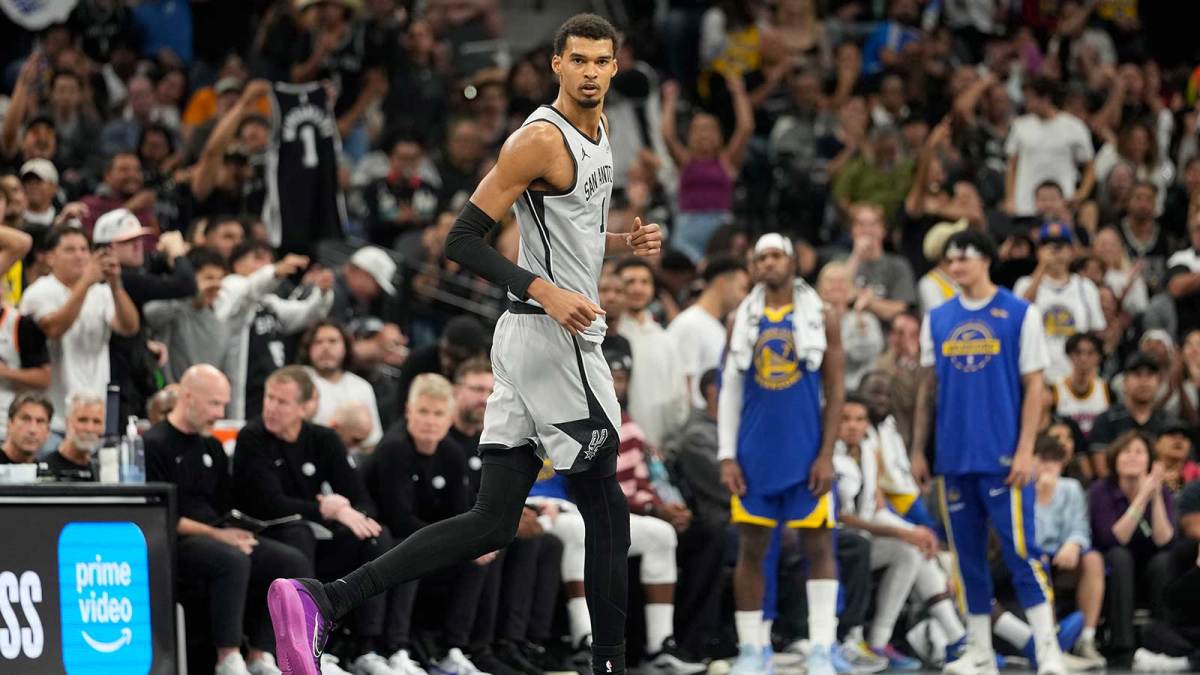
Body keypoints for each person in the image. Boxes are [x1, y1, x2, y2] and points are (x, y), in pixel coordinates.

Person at [267, 15, 663, 675]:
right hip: (552, 338)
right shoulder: (539, 139)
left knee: (492, 523)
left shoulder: (601, 132)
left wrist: (619, 243)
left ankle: (324, 598)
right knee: (605, 504)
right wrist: (545, 290)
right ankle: (610, 664)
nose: (592, 71)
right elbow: (461, 240)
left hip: (532, 339)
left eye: (602, 60)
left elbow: (566, 226)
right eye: (580, 60)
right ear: (556, 65)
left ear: (615, 67)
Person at [910, 229, 1067, 675]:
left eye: (963, 259)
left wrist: (1025, 450)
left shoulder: (1020, 314)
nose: (955, 267)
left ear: (985, 260)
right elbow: (928, 388)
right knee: (967, 560)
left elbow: (1035, 385)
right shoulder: (937, 318)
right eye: (950, 261)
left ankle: (1048, 648)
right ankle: (980, 651)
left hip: (1003, 456)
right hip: (954, 457)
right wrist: (919, 450)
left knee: (1022, 553)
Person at [718, 233, 844, 675]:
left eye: (776, 256)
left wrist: (828, 453)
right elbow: (729, 391)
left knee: (819, 545)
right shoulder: (740, 319)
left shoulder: (822, 317)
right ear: (752, 266)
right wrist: (726, 455)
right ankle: (753, 649)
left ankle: (822, 647)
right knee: (751, 548)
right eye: (760, 257)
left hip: (806, 452)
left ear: (793, 262)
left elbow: (836, 390)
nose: (768, 263)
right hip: (754, 454)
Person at [146, 364, 311, 675]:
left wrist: (241, 529)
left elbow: (225, 506)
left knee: (289, 561)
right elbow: (162, 516)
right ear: (188, 397)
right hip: (175, 542)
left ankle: (262, 654)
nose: (220, 413)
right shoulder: (155, 443)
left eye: (224, 404)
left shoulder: (212, 446)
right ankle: (228, 657)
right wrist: (218, 535)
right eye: (214, 403)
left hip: (216, 532)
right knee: (232, 558)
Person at [236, 366, 395, 674]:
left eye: (283, 402)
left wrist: (350, 513)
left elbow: (361, 499)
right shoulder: (252, 437)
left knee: (375, 535)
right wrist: (326, 510)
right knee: (299, 533)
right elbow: (269, 503)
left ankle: (366, 649)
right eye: (270, 398)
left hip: (316, 536)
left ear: (306, 406)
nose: (272, 407)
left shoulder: (323, 439)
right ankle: (305, 648)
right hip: (267, 531)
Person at [360, 373, 493, 675]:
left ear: (449, 417)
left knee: (482, 556)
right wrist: (450, 542)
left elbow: (460, 512)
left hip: (425, 539)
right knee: (413, 551)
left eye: (437, 414)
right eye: (423, 412)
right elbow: (399, 518)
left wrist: (472, 543)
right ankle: (394, 648)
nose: (430, 421)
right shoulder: (394, 449)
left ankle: (454, 648)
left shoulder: (450, 452)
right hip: (385, 541)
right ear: (408, 411)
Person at [833, 393, 964, 669]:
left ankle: (880, 641)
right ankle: (956, 636)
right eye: (845, 419)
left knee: (913, 550)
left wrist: (914, 531)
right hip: (832, 541)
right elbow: (840, 516)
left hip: (864, 538)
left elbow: (874, 508)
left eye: (859, 420)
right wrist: (903, 533)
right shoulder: (826, 454)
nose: (853, 426)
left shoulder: (869, 451)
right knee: (893, 543)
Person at [20, 224, 139, 435]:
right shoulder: (39, 291)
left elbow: (129, 327)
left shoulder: (101, 292)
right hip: (53, 417)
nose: (80, 256)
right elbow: (54, 328)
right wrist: (86, 282)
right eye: (70, 250)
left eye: (85, 249)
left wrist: (115, 285)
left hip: (95, 413)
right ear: (50, 258)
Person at [1087, 431, 1177, 668]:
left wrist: (1155, 496)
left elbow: (1164, 540)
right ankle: (1122, 645)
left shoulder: (1161, 491)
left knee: (1164, 560)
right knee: (1120, 556)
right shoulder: (1101, 490)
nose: (1132, 457)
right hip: (1113, 568)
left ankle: (1162, 643)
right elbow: (1114, 537)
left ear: (1150, 461)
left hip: (1150, 568)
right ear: (1115, 459)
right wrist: (1142, 496)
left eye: (1139, 452)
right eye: (1126, 452)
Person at [1031, 435, 1106, 668]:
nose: (1049, 466)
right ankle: (1050, 642)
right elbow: (1032, 539)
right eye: (1043, 460)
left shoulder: (1071, 488)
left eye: (1055, 461)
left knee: (1093, 559)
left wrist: (1073, 544)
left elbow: (1081, 528)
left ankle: (1086, 640)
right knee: (1039, 559)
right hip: (1033, 560)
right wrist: (1042, 498)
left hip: (1065, 558)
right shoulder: (1021, 489)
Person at [1014, 223, 1105, 381]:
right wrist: (1042, 266)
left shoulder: (1086, 287)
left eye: (1061, 246)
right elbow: (1018, 316)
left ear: (1071, 251)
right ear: (1038, 252)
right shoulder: (1024, 284)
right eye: (1048, 246)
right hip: (1039, 378)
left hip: (1076, 378)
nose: (1055, 252)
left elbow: (1096, 333)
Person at [615, 257, 690, 448]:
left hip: (659, 449)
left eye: (645, 282)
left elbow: (679, 397)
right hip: (616, 447)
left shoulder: (666, 339)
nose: (638, 289)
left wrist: (669, 442)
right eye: (630, 282)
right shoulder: (606, 336)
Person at [1004, 78, 1095, 217]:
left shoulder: (1074, 127)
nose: (1026, 103)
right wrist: (1010, 198)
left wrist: (1081, 194)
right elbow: (1012, 166)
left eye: (1030, 98)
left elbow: (1089, 167)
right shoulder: (1020, 126)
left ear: (1045, 98)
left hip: (1062, 202)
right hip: (1025, 203)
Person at [666, 256, 749, 407]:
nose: (744, 298)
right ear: (723, 283)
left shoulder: (718, 327)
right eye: (742, 289)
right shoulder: (689, 324)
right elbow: (684, 385)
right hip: (695, 425)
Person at [299, 320, 383, 451]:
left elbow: (371, 443)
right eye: (318, 342)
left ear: (346, 347)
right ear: (308, 348)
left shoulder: (362, 387)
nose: (325, 347)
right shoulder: (298, 381)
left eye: (333, 341)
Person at [1088, 352, 1171, 479]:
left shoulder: (1168, 421)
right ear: (1125, 381)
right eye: (1137, 375)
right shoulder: (1107, 419)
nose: (1144, 382)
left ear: (1159, 382)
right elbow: (1102, 470)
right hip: (1116, 491)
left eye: (1150, 375)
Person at [1052, 333, 1110, 440]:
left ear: (1099, 357)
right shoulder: (1055, 388)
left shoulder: (1107, 389)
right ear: (1069, 355)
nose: (1083, 358)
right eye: (1078, 353)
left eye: (1090, 353)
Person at [41, 391, 103, 482]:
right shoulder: (46, 469)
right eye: (82, 420)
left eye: (97, 422)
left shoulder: (103, 471)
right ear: (67, 423)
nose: (89, 429)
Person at [0, 392, 52, 469]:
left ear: (48, 431)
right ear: (9, 424)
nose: (32, 430)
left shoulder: (46, 473)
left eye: (40, 421)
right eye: (25, 419)